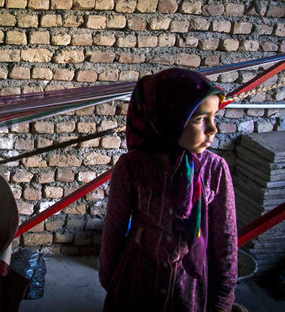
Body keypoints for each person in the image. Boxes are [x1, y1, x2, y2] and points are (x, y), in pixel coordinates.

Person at [99, 69, 238, 311]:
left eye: (214, 117)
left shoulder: (214, 170)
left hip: (188, 289)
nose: (212, 129)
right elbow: (114, 230)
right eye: (199, 118)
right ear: (170, 118)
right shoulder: (133, 167)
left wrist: (223, 298)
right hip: (136, 284)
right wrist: (111, 280)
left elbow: (226, 239)